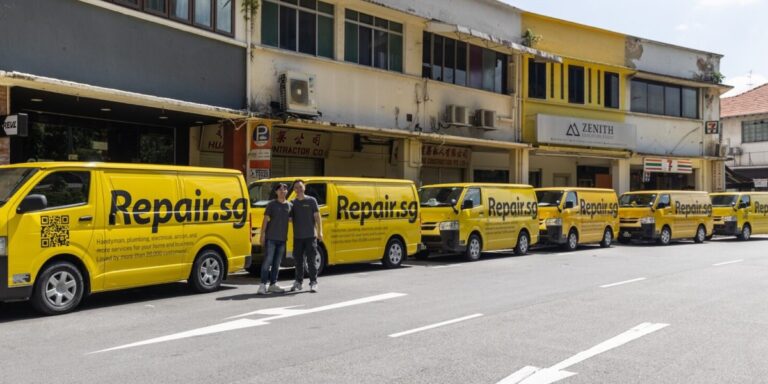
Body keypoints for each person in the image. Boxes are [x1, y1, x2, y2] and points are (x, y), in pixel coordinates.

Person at [289, 179, 323, 293]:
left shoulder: (312, 200)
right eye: (296, 187)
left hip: (310, 236)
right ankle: (299, 282)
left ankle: (313, 283)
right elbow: (289, 219)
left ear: (304, 188)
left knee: (311, 261)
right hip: (298, 237)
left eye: (300, 186)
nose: (298, 189)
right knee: (298, 261)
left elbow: (317, 217)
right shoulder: (293, 203)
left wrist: (320, 232)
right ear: (294, 190)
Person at [258, 183, 291, 295]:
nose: (282, 191)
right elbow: (265, 219)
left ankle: (273, 285)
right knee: (268, 261)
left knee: (277, 263)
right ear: (276, 192)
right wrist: (262, 235)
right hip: (271, 238)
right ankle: (262, 285)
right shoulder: (272, 204)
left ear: (287, 192)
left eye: (285, 189)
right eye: (280, 189)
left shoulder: (290, 206)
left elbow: (292, 220)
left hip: (282, 239)